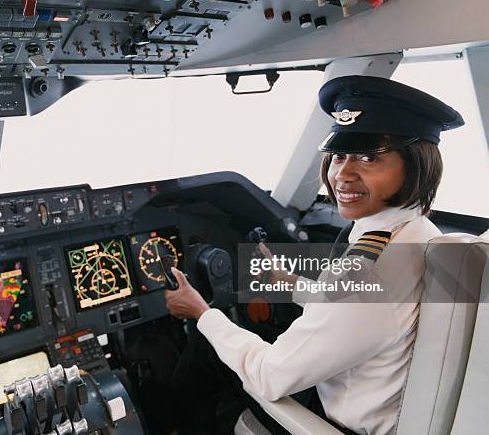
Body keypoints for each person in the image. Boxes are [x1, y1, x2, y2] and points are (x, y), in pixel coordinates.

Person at [164, 75, 465, 434]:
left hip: (335, 424)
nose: (342, 174)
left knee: (208, 356)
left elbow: (267, 375)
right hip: (384, 406)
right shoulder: (417, 233)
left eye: (369, 157)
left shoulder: (369, 272)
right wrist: (288, 283)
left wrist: (200, 313)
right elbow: (360, 313)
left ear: (418, 166)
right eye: (338, 156)